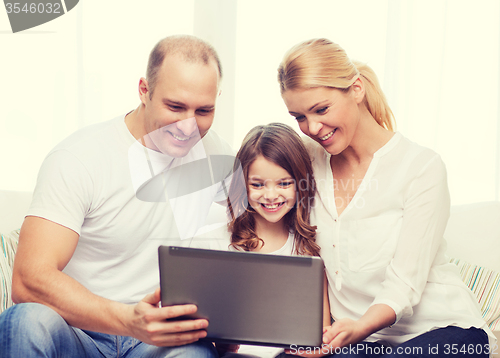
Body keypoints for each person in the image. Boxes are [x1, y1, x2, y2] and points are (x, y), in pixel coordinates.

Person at [0, 35, 234, 358]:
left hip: (158, 342)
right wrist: (128, 320)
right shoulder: (79, 157)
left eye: (204, 110)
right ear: (144, 90)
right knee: (26, 321)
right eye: (175, 106)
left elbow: (251, 245)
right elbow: (28, 280)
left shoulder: (219, 156)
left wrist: (230, 322)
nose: (188, 126)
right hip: (80, 332)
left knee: (194, 354)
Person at [276, 38, 496, 357]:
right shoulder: (306, 162)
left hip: (442, 332)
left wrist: (360, 327)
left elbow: (405, 283)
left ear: (356, 89)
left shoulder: (421, 168)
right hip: (360, 343)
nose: (312, 127)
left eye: (321, 109)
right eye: (299, 117)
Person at [222, 123, 331, 358]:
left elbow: (322, 331)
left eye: (284, 183)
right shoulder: (225, 243)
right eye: (258, 184)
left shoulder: (306, 249)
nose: (271, 195)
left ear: (300, 184)